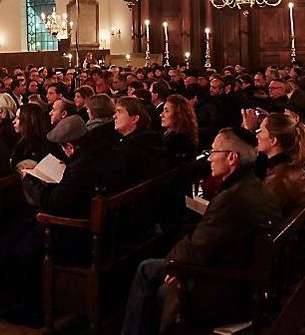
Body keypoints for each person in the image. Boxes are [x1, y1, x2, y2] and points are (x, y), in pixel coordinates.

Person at [121, 128, 282, 334]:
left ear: (232, 157)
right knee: (149, 268)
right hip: (240, 273)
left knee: (148, 273)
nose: (209, 159)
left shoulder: (232, 198)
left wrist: (176, 266)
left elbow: (197, 247)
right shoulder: (253, 185)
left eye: (214, 152)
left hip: (231, 289)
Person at [256, 113, 305, 216]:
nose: (257, 135)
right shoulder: (295, 168)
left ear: (273, 140)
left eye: (260, 131)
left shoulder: (277, 180)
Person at [114, 96, 170, 185]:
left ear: (134, 119)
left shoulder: (133, 147)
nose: (114, 116)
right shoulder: (147, 139)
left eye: (119, 111)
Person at [11, 102, 54, 168]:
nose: (13, 121)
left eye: (18, 118)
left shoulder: (24, 146)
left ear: (29, 120)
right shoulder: (48, 140)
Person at [162, 94, 198, 164]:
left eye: (166, 111)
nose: (161, 114)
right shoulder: (181, 135)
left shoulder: (176, 141)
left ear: (178, 115)